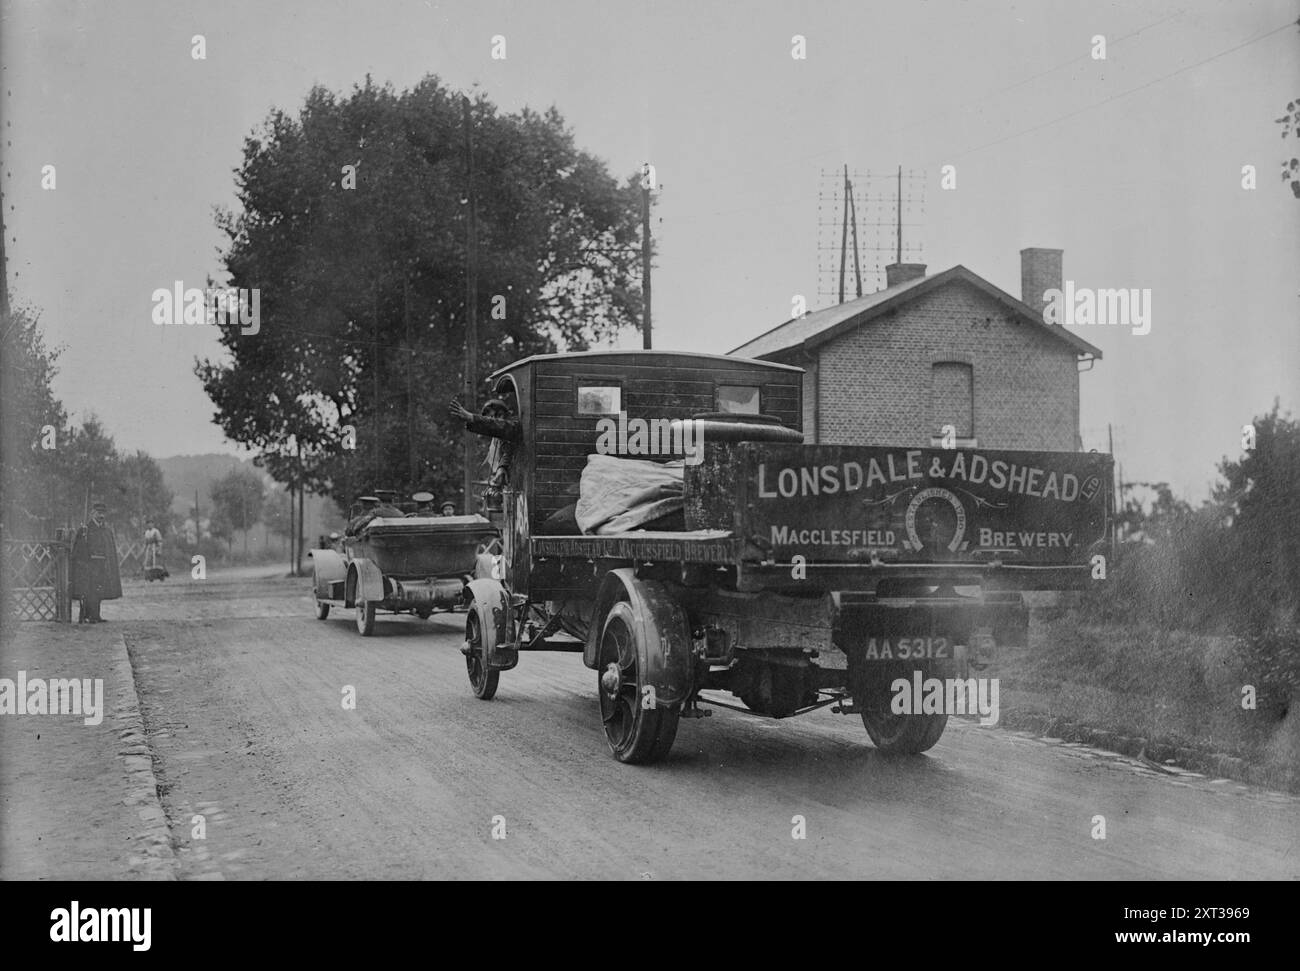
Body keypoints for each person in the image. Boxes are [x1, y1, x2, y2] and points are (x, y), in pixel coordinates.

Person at [449, 391, 521, 510]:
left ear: (503, 413)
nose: (492, 420)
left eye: (495, 416)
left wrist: (472, 418)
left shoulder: (513, 424)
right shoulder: (497, 440)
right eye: (489, 418)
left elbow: (500, 430)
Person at [70, 500, 123, 623]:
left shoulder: (106, 530)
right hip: (89, 566)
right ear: (92, 513)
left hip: (102, 565)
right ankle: (87, 615)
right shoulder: (85, 530)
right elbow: (78, 550)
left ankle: (96, 615)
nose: (101, 516)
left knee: (99, 590)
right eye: (98, 513)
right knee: (89, 591)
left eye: (103, 513)